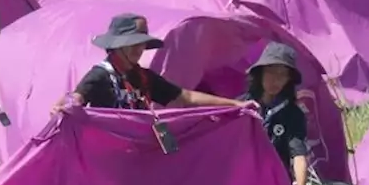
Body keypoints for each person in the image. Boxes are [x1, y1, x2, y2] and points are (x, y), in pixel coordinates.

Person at [52, 14, 247, 113]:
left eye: (141, 44)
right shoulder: (100, 75)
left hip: (138, 157)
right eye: (131, 44)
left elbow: (185, 96)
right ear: (117, 46)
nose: (138, 50)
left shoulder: (143, 77)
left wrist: (235, 104)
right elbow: (77, 98)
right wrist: (66, 104)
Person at [238, 41, 311, 185]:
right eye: (271, 72)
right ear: (260, 73)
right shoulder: (240, 105)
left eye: (282, 74)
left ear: (288, 80)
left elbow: (298, 155)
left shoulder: (293, 114)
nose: (275, 80)